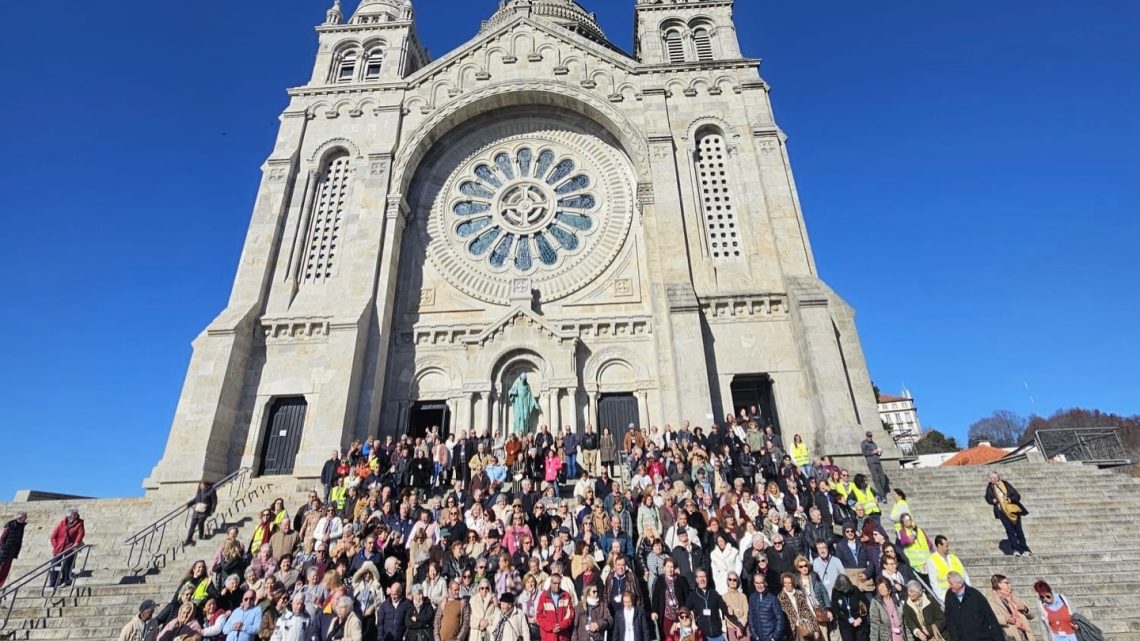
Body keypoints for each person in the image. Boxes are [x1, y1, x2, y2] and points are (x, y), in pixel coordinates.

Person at [943, 572, 1002, 641]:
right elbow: (949, 619)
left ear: (959, 584)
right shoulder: (949, 595)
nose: (949, 586)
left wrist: (998, 638)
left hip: (980, 637)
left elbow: (990, 617)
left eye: (951, 583)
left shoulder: (975, 595)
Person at [985, 472, 1032, 557]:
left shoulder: (1005, 484)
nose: (989, 480)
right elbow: (988, 497)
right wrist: (993, 500)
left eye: (990, 478)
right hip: (1002, 512)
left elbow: (1017, 496)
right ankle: (1016, 549)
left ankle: (1025, 549)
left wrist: (1010, 499)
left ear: (996, 478)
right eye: (989, 478)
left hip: (1013, 511)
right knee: (1010, 531)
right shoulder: (990, 487)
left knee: (1019, 531)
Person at [986, 574, 1037, 641]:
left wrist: (1025, 608)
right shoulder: (991, 599)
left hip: (1025, 634)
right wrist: (1005, 619)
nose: (1009, 585)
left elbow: (1032, 616)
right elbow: (990, 616)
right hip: (1009, 635)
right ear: (998, 584)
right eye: (1006, 583)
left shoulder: (1013, 596)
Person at [685, 569, 729, 641]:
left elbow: (724, 608)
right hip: (703, 635)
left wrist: (729, 611)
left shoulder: (714, 593)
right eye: (700, 577)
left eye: (704, 576)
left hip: (718, 634)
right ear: (696, 579)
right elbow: (685, 610)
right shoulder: (693, 595)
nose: (702, 579)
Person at [778, 572, 822, 641]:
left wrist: (815, 629)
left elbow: (808, 611)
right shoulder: (780, 598)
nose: (787, 585)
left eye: (789, 583)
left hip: (806, 628)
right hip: (793, 631)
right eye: (785, 583)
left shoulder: (799, 594)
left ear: (793, 583)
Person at [48, 508, 85, 588]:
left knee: (68, 564)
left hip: (70, 547)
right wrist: (56, 545)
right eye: (69, 517)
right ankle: (53, 582)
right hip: (59, 547)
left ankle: (66, 581)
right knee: (54, 564)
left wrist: (76, 543)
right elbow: (53, 536)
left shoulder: (79, 523)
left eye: (73, 516)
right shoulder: (62, 523)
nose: (71, 518)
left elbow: (80, 534)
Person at [536, 567, 575, 641]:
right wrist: (552, 627)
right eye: (554, 583)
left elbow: (570, 615)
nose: (557, 586)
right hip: (548, 636)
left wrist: (560, 626)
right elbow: (540, 616)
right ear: (550, 582)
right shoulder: (543, 597)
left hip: (563, 636)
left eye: (559, 583)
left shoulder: (566, 596)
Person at [868, 577, 911, 641]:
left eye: (883, 586)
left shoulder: (896, 601)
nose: (880, 589)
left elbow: (905, 623)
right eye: (879, 586)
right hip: (887, 637)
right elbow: (874, 624)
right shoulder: (876, 602)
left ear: (889, 589)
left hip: (901, 636)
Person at [832, 574, 870, 641]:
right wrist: (849, 620)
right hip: (845, 623)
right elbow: (836, 609)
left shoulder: (855, 590)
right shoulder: (835, 591)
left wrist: (861, 618)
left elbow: (867, 604)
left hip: (859, 621)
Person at [748, 572, 785, 641]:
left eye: (761, 582)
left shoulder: (772, 598)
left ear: (765, 583)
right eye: (757, 583)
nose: (759, 585)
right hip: (758, 638)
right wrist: (754, 635)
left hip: (770, 637)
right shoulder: (752, 598)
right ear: (754, 583)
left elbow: (780, 619)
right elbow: (750, 617)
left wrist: (774, 637)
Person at [0, 511, 28, 589]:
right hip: (4, 550)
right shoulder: (10, 525)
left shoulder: (21, 526)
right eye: (23, 517)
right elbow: (2, 538)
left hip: (12, 551)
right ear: (19, 518)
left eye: (25, 517)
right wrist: (3, 548)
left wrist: (16, 551)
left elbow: (19, 539)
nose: (24, 519)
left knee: (5, 570)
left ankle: (0, 585)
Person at [186, 480, 218, 546]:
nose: (201, 486)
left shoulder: (211, 491)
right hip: (197, 511)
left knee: (200, 522)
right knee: (192, 525)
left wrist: (212, 510)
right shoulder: (200, 492)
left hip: (205, 511)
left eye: (202, 485)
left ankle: (201, 536)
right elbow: (195, 499)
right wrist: (189, 504)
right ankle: (189, 539)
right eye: (200, 485)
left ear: (206, 485)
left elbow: (214, 501)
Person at [861, 432, 890, 500]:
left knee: (882, 478)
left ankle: (881, 492)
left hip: (878, 462)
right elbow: (864, 453)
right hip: (871, 463)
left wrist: (879, 452)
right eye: (868, 436)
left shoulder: (874, 443)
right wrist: (872, 452)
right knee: (876, 479)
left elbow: (877, 453)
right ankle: (883, 496)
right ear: (866, 436)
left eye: (871, 436)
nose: (870, 437)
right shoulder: (864, 443)